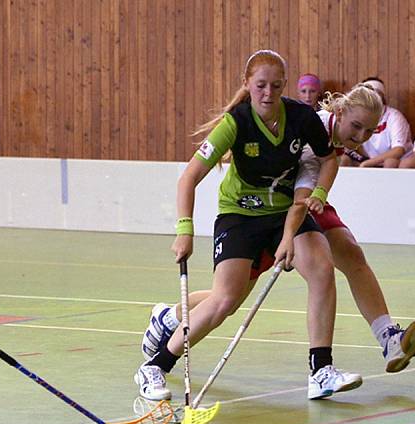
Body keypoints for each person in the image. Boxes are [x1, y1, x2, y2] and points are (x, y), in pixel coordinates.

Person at [142, 83, 415, 377]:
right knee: (229, 299)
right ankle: (170, 316)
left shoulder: (337, 132)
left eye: (370, 131)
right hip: (275, 209)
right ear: (340, 112)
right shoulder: (310, 131)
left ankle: (384, 339)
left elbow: (317, 181)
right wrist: (289, 236)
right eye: (356, 127)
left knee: (348, 253)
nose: (361, 137)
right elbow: (301, 190)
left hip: (301, 203)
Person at [135, 50, 362, 403]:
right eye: (260, 85)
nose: (268, 93)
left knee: (321, 268)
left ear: (284, 86)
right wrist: (184, 229)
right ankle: (155, 366)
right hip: (239, 216)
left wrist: (318, 194)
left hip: (286, 211)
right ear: (247, 85)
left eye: (275, 85)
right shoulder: (235, 123)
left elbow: (328, 159)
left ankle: (321, 371)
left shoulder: (302, 118)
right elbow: (189, 177)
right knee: (225, 301)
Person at [340, 77, 414, 169]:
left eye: (377, 93)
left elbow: (398, 150)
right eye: (370, 94)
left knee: (389, 163)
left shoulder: (394, 116)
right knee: (343, 160)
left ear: (382, 97)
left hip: (392, 161)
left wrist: (368, 163)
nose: (373, 97)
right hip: (367, 159)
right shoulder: (355, 115)